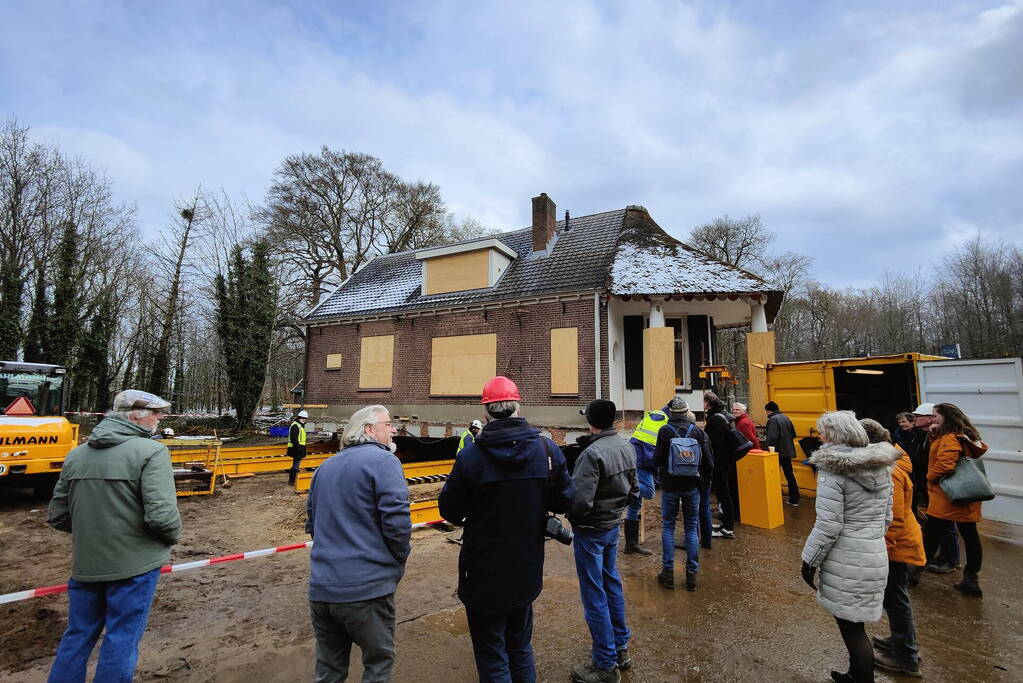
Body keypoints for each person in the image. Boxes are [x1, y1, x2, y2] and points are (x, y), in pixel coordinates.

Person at [438, 376, 573, 683]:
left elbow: (449, 510)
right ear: (517, 407)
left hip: (483, 573)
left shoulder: (470, 457)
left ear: (485, 412)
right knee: (520, 647)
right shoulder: (547, 450)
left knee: (491, 654)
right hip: (525, 570)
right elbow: (566, 499)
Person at [46, 390, 181, 683]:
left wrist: (94, 533)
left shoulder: (77, 454)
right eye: (156, 414)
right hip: (135, 567)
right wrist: (171, 538)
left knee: (77, 636)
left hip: (86, 566)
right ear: (134, 416)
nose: (160, 419)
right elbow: (162, 516)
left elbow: (57, 514)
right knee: (122, 638)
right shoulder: (152, 452)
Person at [305, 404, 410, 682]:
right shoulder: (385, 462)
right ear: (369, 429)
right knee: (378, 664)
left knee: (329, 670)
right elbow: (398, 523)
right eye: (388, 424)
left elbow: (312, 525)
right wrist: (397, 561)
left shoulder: (324, 468)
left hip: (323, 590)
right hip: (366, 590)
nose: (393, 430)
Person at [800, 411, 898, 683]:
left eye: (822, 432)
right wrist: (869, 540)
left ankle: (860, 678)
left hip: (846, 557)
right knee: (856, 625)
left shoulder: (833, 470)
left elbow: (829, 525)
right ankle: (856, 673)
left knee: (852, 630)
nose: (819, 437)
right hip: (874, 554)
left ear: (834, 435)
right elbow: (887, 516)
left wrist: (809, 561)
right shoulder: (880, 465)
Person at [567, 399, 638, 683]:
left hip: (591, 530)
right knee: (611, 584)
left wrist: (572, 518)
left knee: (594, 594)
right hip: (612, 527)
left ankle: (605, 664)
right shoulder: (626, 446)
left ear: (591, 422)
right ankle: (621, 648)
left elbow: (580, 500)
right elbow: (636, 490)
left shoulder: (592, 453)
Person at [859, 419, 925, 678]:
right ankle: (900, 642)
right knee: (894, 598)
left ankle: (907, 657)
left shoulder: (888, 470)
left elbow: (893, 516)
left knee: (897, 599)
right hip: (897, 542)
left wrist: (881, 548)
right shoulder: (890, 460)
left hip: (895, 544)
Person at [923, 403, 988, 597]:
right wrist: (934, 434)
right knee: (970, 536)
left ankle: (915, 571)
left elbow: (945, 465)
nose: (933, 419)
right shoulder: (967, 435)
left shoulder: (950, 438)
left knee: (931, 535)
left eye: (935, 416)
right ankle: (971, 578)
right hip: (966, 494)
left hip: (947, 496)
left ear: (946, 417)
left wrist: (930, 478)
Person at [654, 397, 714, 591]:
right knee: (690, 528)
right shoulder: (696, 431)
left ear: (671, 413)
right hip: (691, 487)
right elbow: (708, 464)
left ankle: (668, 573)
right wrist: (701, 481)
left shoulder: (664, 431)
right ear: (687, 412)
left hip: (670, 486)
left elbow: (657, 459)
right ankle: (691, 577)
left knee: (668, 527)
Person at [909, 403, 960, 573]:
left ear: (931, 418)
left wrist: (929, 476)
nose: (914, 419)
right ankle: (943, 557)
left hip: (939, 487)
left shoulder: (943, 437)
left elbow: (942, 464)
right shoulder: (923, 435)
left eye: (918, 416)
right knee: (940, 527)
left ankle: (950, 560)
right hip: (931, 487)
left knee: (946, 526)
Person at [622, 408, 668, 555]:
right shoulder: (663, 421)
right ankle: (625, 487)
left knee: (635, 504)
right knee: (649, 491)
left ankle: (631, 545)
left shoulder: (654, 415)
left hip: (634, 457)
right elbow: (650, 456)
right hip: (642, 462)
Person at [703, 392, 737, 538]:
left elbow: (715, 444)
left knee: (724, 493)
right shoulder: (722, 414)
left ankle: (728, 528)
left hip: (720, 461)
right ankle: (725, 524)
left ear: (707, 403)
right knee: (724, 493)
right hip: (726, 461)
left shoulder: (715, 419)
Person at [686, 410, 715, 549]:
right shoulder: (703, 434)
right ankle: (707, 540)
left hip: (691, 478)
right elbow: (709, 459)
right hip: (704, 477)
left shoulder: (683, 435)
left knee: (693, 510)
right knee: (705, 508)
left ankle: (693, 539)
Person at [764, 401, 800, 507]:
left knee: (772, 475)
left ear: (768, 410)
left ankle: (773, 498)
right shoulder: (785, 417)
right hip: (787, 451)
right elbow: (793, 434)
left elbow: (772, 438)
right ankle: (794, 498)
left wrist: (769, 450)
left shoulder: (773, 420)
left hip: (777, 452)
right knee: (789, 474)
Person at [288, 409, 309, 485]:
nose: (303, 420)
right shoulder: (296, 426)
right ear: (299, 418)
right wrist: (298, 447)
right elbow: (294, 439)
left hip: (299, 448)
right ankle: (292, 480)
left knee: (296, 464)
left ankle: (292, 479)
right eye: (302, 418)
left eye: (305, 419)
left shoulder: (299, 425)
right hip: (296, 448)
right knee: (295, 466)